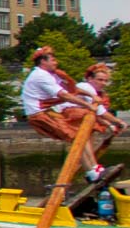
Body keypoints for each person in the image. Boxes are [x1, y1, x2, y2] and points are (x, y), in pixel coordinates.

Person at [24, 47, 109, 182]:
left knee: (80, 134)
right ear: (42, 62)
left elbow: (72, 90)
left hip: (49, 112)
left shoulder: (50, 75)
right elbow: (64, 95)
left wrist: (91, 95)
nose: (56, 62)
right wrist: (88, 105)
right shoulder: (40, 76)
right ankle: (92, 172)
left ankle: (94, 168)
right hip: (40, 115)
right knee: (76, 137)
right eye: (52, 60)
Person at [76, 63, 126, 144]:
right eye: (100, 80)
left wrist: (111, 126)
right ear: (89, 79)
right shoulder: (86, 87)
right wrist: (120, 122)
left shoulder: (98, 93)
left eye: (106, 81)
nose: (104, 83)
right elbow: (101, 113)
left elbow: (97, 114)